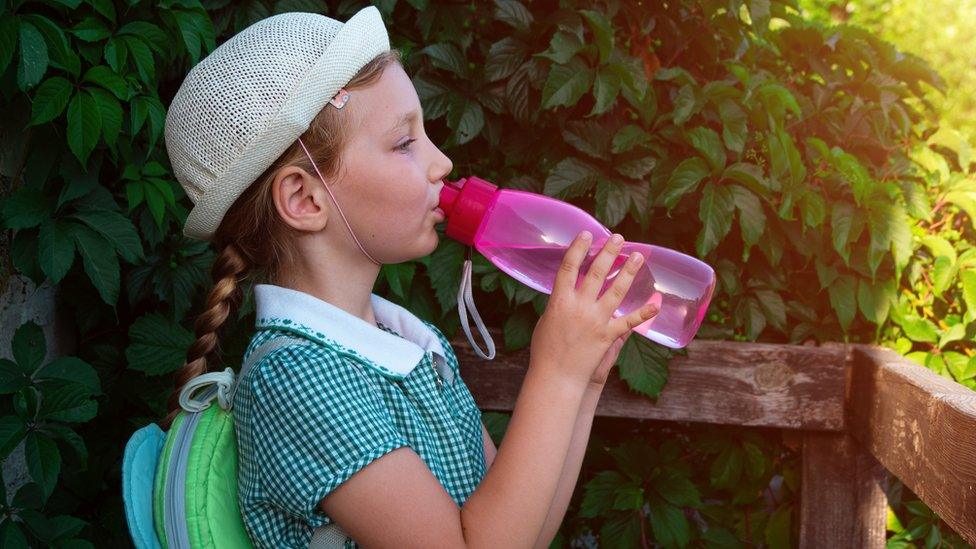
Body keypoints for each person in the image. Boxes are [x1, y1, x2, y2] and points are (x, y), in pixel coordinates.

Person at [159, 6, 659, 548]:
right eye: (404, 143)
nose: (441, 163)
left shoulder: (406, 341)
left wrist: (581, 386)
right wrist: (555, 373)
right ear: (304, 199)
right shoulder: (297, 380)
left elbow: (524, 533)